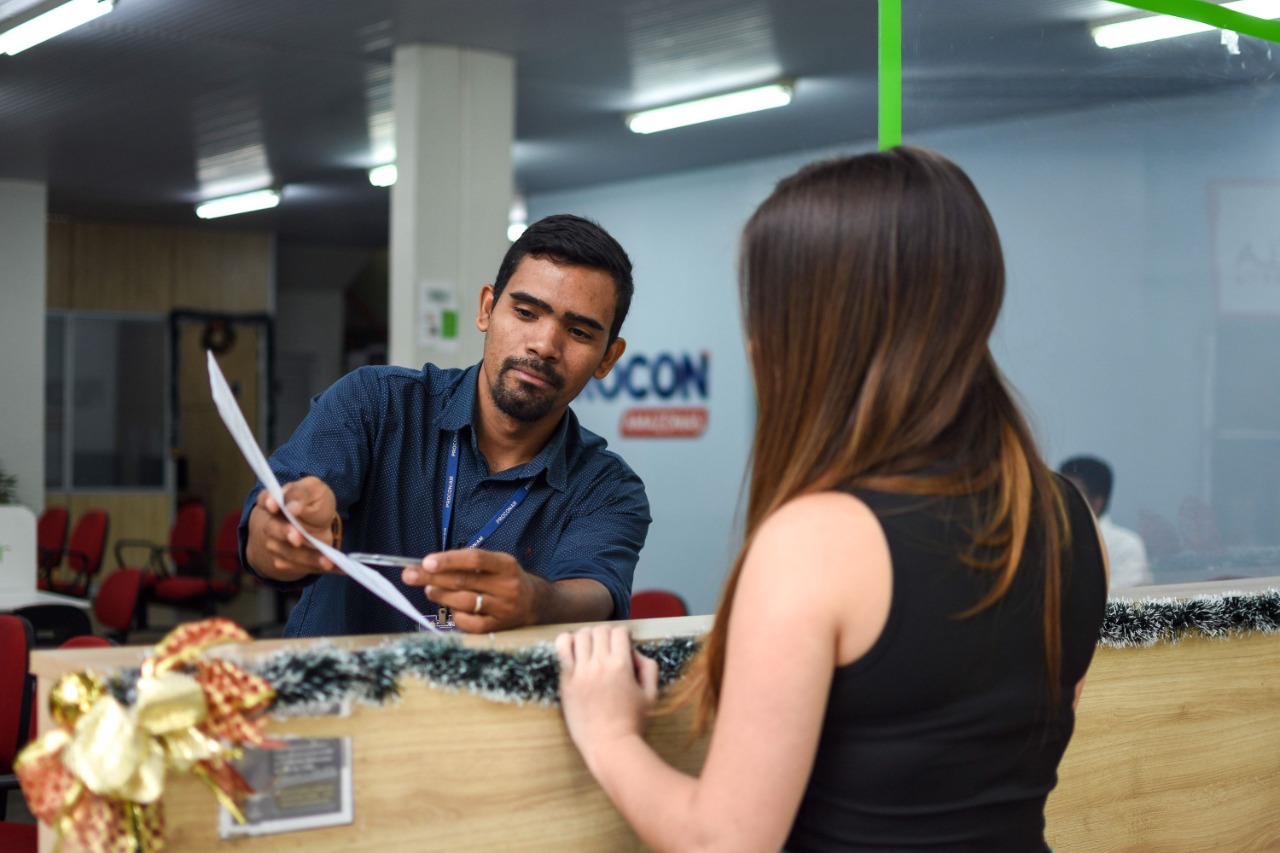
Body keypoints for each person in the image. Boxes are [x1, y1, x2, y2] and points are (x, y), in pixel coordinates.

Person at [555, 147, 1109, 852]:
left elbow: (724, 841)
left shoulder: (817, 541)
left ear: (812, 326)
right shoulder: (1067, 515)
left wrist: (608, 733)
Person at [240, 214, 651, 637]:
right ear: (487, 309)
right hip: (336, 697)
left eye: (580, 332)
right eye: (526, 312)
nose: (544, 345)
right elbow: (261, 542)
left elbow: (596, 593)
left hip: (487, 704)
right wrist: (282, 534)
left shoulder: (608, 488)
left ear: (608, 357)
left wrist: (536, 600)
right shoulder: (375, 403)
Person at [1060, 455, 1152, 589]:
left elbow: (1117, 602)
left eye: (1069, 495)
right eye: (1058, 492)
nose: (1058, 501)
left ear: (1097, 502)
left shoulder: (1125, 546)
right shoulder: (1049, 541)